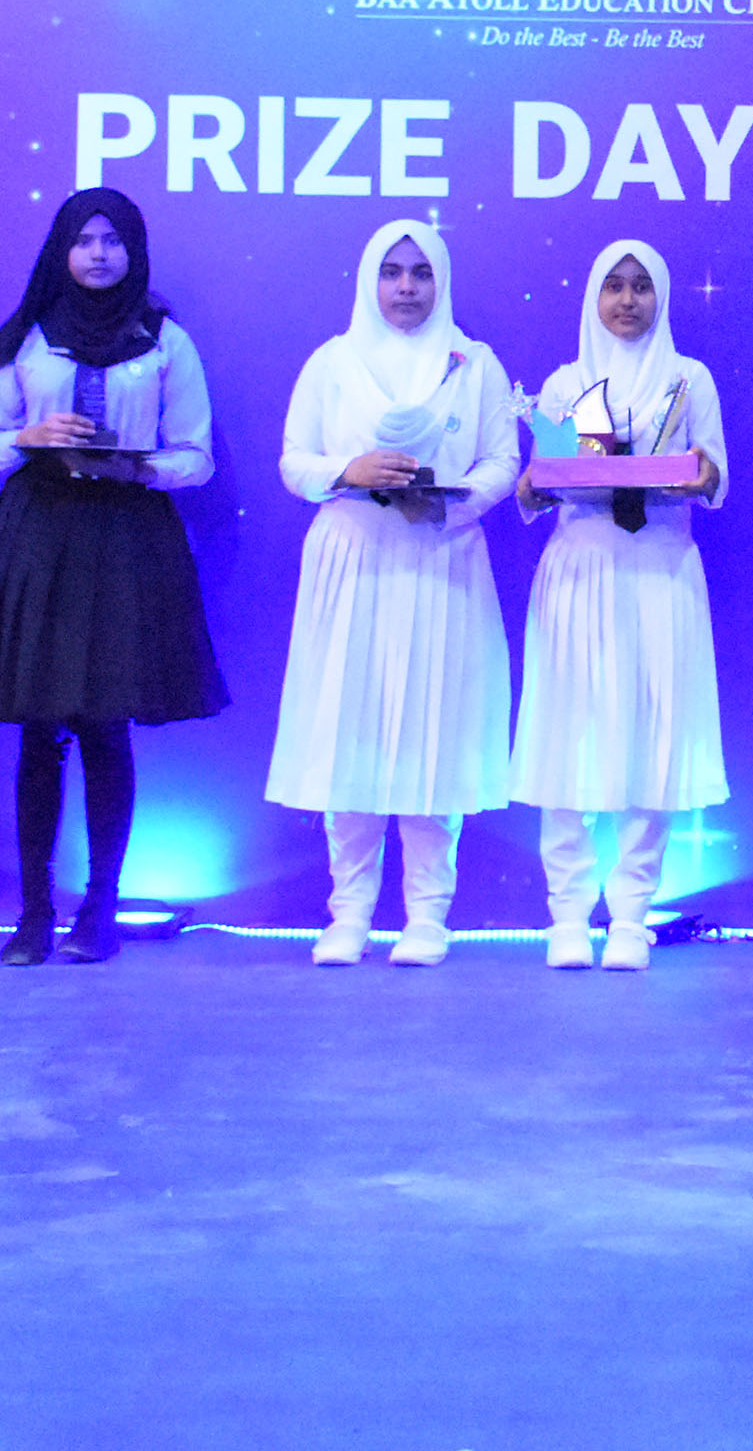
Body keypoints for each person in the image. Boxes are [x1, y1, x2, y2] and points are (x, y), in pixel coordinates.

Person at [0, 189, 226, 966]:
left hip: (126, 532)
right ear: (61, 250)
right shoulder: (27, 336)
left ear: (135, 250)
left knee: (106, 723)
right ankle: (33, 913)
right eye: (84, 239)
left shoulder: (165, 340)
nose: (99, 254)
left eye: (113, 240)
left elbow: (197, 457)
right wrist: (31, 436)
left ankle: (99, 910)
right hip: (41, 530)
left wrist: (139, 466)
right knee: (40, 728)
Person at [266, 219, 517, 968]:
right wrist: (348, 472)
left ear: (442, 280)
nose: (406, 287)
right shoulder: (332, 361)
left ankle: (427, 918)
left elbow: (502, 461)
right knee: (351, 732)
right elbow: (294, 460)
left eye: (421, 273)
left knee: (435, 733)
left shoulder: (474, 363)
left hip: (441, 559)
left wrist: (449, 505)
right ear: (369, 280)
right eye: (391, 272)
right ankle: (348, 915)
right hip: (352, 561)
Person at [507, 238, 730, 972]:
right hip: (580, 571)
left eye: (641, 286)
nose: (628, 300)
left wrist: (698, 475)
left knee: (651, 739)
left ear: (660, 296)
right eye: (613, 285)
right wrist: (537, 483)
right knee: (567, 736)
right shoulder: (564, 383)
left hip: (661, 572)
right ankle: (567, 916)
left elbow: (714, 472)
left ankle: (631, 916)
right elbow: (536, 484)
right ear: (593, 298)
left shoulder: (689, 378)